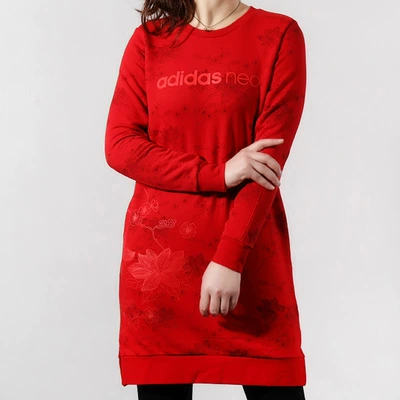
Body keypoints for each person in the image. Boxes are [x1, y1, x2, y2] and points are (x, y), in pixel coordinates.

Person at [104, 0, 307, 399]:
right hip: (160, 270)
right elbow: (120, 146)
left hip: (246, 261)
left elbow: (267, 163)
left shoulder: (278, 34)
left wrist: (230, 257)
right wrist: (217, 173)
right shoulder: (149, 40)